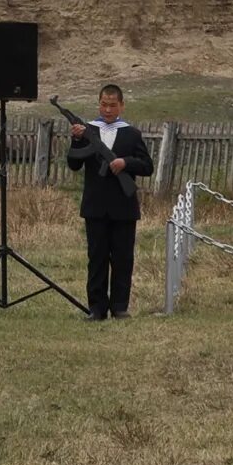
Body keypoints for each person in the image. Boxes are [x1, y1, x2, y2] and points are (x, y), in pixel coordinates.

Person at [66, 84, 152, 320]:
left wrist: (125, 163)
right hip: (95, 206)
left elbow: (147, 166)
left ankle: (120, 307)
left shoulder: (131, 134)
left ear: (122, 106)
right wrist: (76, 140)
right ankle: (96, 308)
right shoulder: (88, 131)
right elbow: (74, 165)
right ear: (98, 104)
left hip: (123, 206)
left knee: (123, 259)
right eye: (104, 104)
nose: (107, 109)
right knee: (97, 259)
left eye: (113, 105)